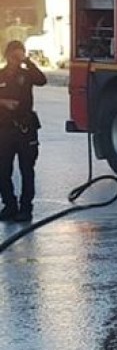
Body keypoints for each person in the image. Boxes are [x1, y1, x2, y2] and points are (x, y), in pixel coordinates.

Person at [0, 41, 47, 223]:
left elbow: (42, 80)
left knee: (27, 169)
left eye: (18, 56)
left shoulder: (27, 75)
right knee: (3, 170)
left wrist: (27, 61)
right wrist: (4, 103)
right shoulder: (1, 75)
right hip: (4, 129)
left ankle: (26, 208)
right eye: (13, 56)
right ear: (7, 56)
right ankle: (9, 205)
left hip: (25, 129)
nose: (15, 60)